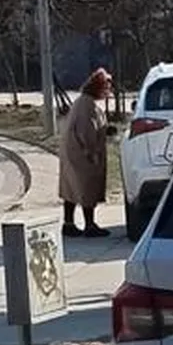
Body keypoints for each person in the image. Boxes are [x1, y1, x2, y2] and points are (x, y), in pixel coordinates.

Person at [59, 68, 112, 238]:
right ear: (98, 87)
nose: (108, 92)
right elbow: (86, 131)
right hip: (82, 154)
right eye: (106, 88)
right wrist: (91, 152)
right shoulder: (87, 106)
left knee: (71, 188)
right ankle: (89, 225)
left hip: (72, 152)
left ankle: (68, 224)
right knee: (87, 186)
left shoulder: (82, 102)